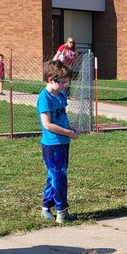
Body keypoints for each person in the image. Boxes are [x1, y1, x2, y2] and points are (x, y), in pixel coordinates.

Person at [38, 60, 79, 223]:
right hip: (52, 144)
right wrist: (68, 133)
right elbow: (47, 124)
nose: (64, 86)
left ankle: (46, 207)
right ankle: (62, 210)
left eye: (66, 83)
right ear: (50, 79)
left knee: (54, 175)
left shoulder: (60, 96)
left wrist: (71, 128)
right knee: (58, 177)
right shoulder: (44, 98)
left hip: (63, 142)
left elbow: (62, 117)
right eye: (62, 82)